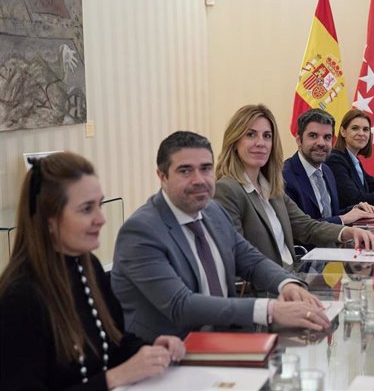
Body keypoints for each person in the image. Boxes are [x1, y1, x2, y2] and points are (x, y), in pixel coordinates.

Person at [112, 131, 332, 343]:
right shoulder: (141, 231)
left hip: (228, 338)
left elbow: (251, 260)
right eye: (185, 171)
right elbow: (181, 305)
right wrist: (270, 310)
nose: (199, 180)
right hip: (170, 355)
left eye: (206, 169)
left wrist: (287, 285)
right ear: (162, 176)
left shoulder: (212, 211)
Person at [0, 152, 185, 390]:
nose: (101, 219)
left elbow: (113, 342)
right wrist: (114, 378)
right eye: (87, 209)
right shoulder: (20, 298)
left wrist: (150, 349)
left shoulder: (88, 266)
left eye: (100, 205)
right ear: (49, 220)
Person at [214, 105, 374, 266]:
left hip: (293, 274)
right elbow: (240, 257)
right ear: (234, 141)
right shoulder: (227, 189)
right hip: (269, 286)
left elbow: (307, 227)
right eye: (251, 135)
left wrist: (349, 232)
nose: (261, 143)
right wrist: (288, 282)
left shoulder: (271, 186)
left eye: (267, 136)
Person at [283, 108, 374, 225]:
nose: (321, 143)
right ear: (298, 139)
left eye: (327, 137)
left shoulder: (326, 170)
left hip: (335, 241)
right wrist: (342, 219)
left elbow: (330, 214)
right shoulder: (285, 176)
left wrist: (354, 209)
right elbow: (298, 227)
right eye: (313, 136)